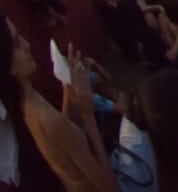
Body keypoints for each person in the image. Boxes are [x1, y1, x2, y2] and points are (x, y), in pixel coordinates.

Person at [2, 16, 118, 192]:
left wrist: (68, 86)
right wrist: (89, 117)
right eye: (17, 45)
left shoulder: (27, 103)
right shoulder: (43, 116)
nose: (27, 45)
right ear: (7, 66)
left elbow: (64, 137)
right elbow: (110, 189)